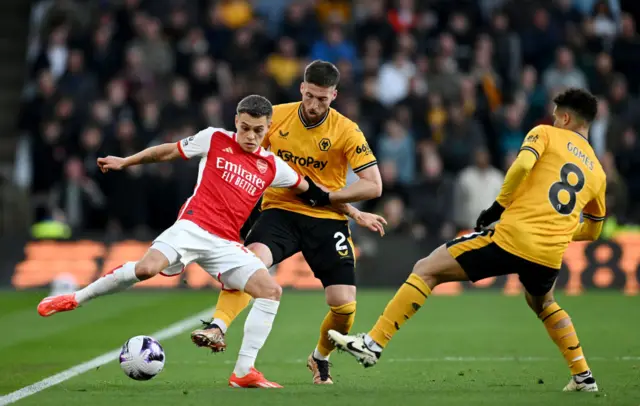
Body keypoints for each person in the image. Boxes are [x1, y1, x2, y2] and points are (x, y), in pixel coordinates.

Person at [36, 95, 384, 389]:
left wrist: (356, 214)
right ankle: (75, 298)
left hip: (225, 243)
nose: (250, 136)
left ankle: (244, 371)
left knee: (270, 290)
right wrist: (127, 160)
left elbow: (318, 196)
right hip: (191, 227)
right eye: (245, 128)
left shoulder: (274, 166)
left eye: (259, 131)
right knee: (145, 269)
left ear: (268, 130)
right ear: (236, 121)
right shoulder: (215, 138)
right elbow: (166, 152)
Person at [328, 88, 606, 393]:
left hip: (512, 237)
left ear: (565, 118)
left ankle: (373, 343)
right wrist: (559, 232)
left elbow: (524, 165)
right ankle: (583, 376)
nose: (552, 121)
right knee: (544, 303)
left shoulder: (546, 134)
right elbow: (592, 231)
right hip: (549, 254)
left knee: (426, 268)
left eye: (556, 117)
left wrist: (498, 206)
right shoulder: (598, 173)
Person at [191, 60, 384, 385]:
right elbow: (242, 155)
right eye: (309, 96)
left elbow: (373, 184)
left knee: (344, 306)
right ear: (301, 89)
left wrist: (335, 202)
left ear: (334, 95)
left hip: (327, 219)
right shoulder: (275, 117)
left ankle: (319, 358)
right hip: (280, 210)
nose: (313, 105)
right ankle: (218, 326)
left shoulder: (346, 130)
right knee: (250, 264)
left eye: (322, 99)